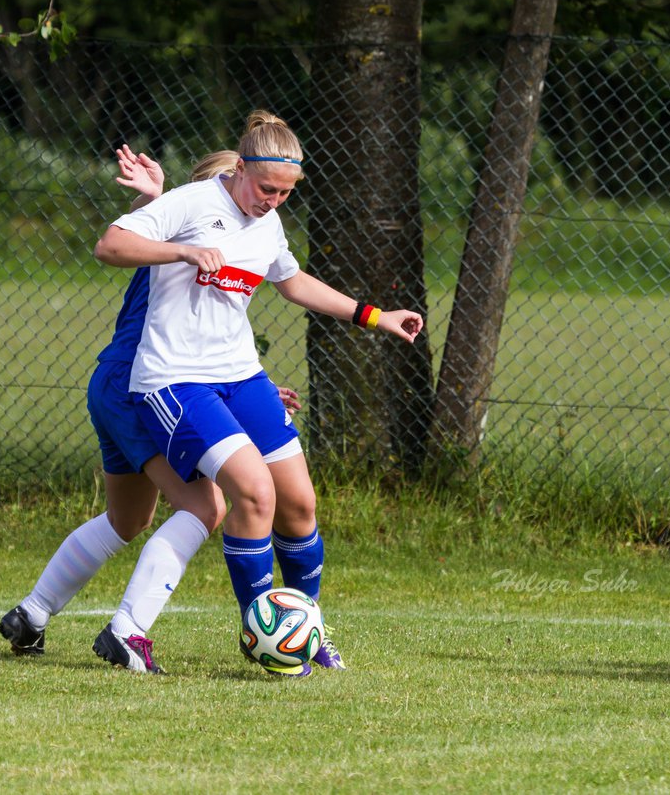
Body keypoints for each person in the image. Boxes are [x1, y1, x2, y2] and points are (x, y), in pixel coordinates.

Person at [94, 110, 424, 677]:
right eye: (266, 188)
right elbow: (109, 246)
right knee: (251, 492)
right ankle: (262, 628)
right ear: (240, 168)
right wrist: (183, 251)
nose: (274, 200)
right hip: (176, 379)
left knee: (298, 504)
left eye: (286, 193)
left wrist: (374, 315)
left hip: (242, 377)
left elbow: (291, 281)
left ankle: (305, 628)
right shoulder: (193, 202)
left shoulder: (266, 222)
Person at [0, 148, 302, 675]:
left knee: (128, 518)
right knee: (206, 508)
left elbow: (210, 330)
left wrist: (255, 386)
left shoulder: (186, 240)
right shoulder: (189, 236)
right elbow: (148, 254)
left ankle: (32, 612)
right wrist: (157, 203)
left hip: (112, 382)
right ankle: (127, 631)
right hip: (140, 389)